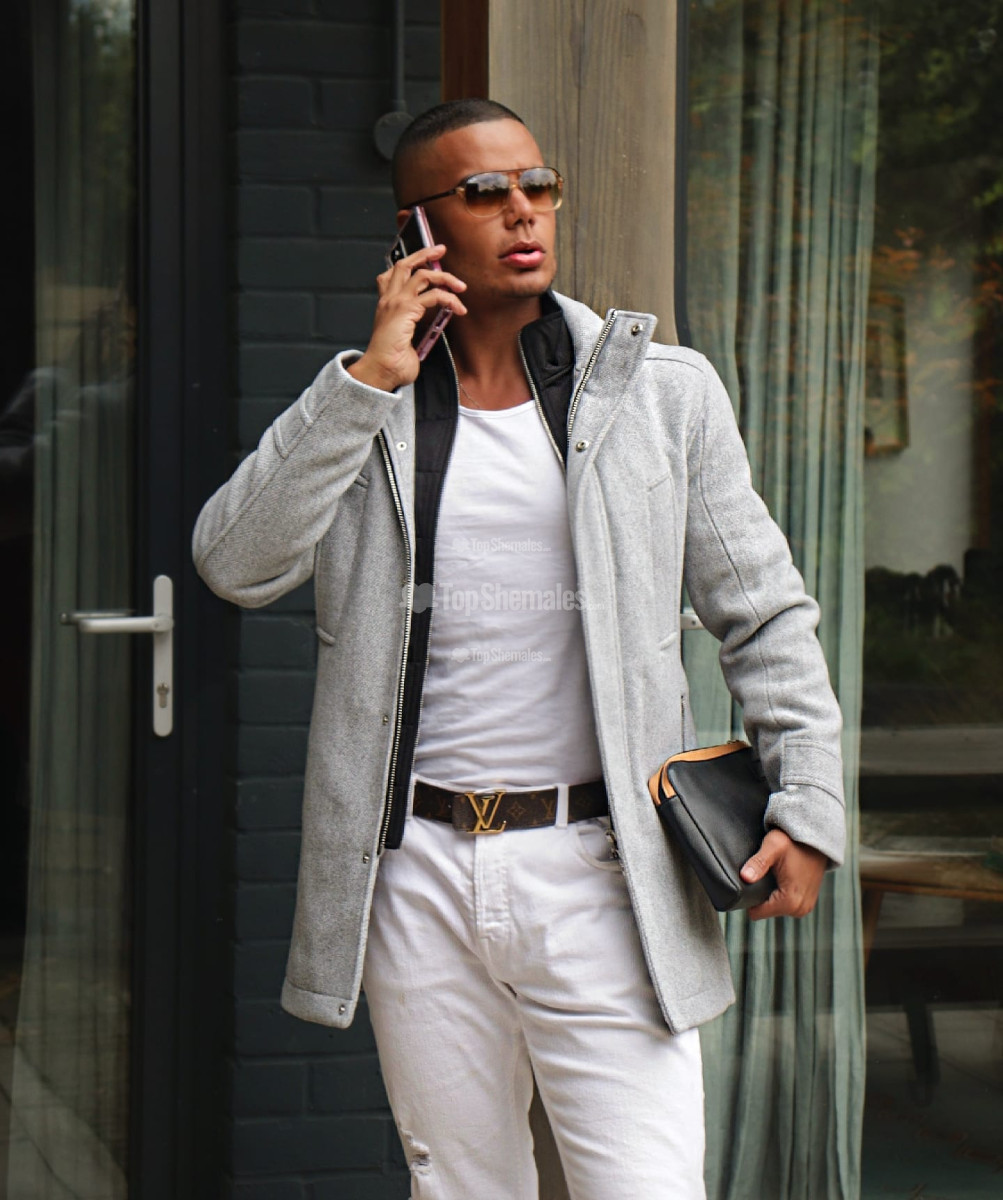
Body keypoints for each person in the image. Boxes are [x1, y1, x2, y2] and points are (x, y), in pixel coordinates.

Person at [193, 98, 846, 1199]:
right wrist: (365, 382)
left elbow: (763, 614)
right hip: (417, 872)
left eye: (537, 185)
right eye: (483, 193)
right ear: (415, 229)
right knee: (459, 1187)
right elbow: (234, 561)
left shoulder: (660, 395)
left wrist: (808, 804)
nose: (522, 211)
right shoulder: (368, 411)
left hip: (603, 868)